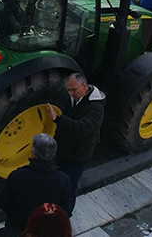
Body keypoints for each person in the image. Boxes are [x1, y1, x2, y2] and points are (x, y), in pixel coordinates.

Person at [47, 72, 105, 213]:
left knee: (69, 188)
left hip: (76, 157)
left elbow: (81, 128)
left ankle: (65, 214)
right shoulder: (74, 98)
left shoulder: (96, 108)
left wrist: (58, 119)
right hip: (62, 151)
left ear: (84, 86)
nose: (71, 93)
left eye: (74, 90)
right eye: (69, 90)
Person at [0, 134, 72, 236]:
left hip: (17, 226)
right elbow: (65, 208)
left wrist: (14, 214)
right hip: (44, 229)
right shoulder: (63, 179)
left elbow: (2, 201)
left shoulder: (18, 176)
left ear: (33, 155)